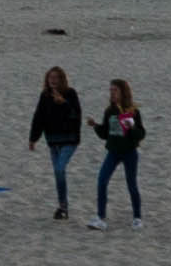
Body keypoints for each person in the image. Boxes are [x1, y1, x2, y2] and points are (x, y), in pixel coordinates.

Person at [28, 68, 87, 221]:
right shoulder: (45, 96)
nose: (53, 80)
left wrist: (64, 103)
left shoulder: (70, 93)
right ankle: (63, 207)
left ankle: (63, 206)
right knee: (57, 173)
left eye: (56, 78)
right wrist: (33, 138)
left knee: (60, 169)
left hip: (69, 140)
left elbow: (76, 115)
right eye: (50, 78)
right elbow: (38, 117)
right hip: (53, 141)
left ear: (62, 79)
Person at [89, 79, 147, 229]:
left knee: (131, 184)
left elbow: (141, 134)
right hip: (113, 152)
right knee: (102, 180)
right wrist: (95, 126)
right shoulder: (109, 111)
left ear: (123, 92)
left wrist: (131, 128)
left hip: (129, 152)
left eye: (115, 90)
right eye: (111, 90)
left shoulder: (132, 111)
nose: (112, 93)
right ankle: (100, 217)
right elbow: (104, 134)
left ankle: (137, 218)